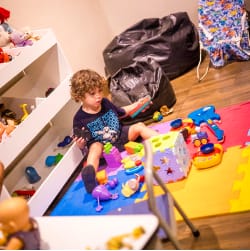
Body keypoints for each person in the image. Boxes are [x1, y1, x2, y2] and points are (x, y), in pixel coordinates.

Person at [70, 69, 159, 193]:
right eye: (92, 93)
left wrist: (137, 105)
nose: (98, 96)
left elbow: (122, 112)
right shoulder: (79, 118)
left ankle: (165, 142)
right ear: (80, 97)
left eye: (100, 91)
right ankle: (90, 176)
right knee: (94, 147)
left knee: (139, 126)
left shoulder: (105, 102)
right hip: (104, 150)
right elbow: (82, 145)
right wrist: (80, 144)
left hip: (120, 135)